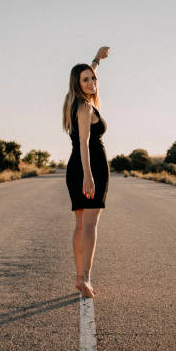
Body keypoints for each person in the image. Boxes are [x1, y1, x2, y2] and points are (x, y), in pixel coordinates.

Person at [62, 46, 111, 298]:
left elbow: (89, 73)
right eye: (86, 80)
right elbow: (83, 143)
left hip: (77, 167)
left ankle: (80, 277)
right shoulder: (85, 108)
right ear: (77, 84)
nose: (92, 82)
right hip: (90, 169)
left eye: (93, 78)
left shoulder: (75, 102)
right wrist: (88, 175)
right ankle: (85, 279)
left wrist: (96, 60)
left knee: (81, 226)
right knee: (89, 226)